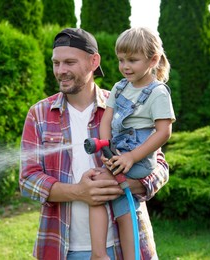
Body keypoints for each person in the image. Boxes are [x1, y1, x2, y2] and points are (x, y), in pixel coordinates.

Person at [19, 27, 169, 260]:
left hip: (124, 247)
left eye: (69, 62)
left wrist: (121, 184)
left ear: (93, 61)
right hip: (61, 248)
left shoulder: (124, 105)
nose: (61, 71)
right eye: (56, 63)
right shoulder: (39, 114)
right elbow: (28, 180)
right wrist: (78, 192)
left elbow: (160, 167)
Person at [89, 27, 176, 259]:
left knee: (97, 187)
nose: (125, 66)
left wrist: (131, 156)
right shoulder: (120, 87)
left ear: (153, 59)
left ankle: (98, 254)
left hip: (139, 159)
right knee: (120, 206)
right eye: (121, 60)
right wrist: (106, 146)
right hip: (118, 153)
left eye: (133, 60)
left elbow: (163, 132)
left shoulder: (158, 93)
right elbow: (106, 119)